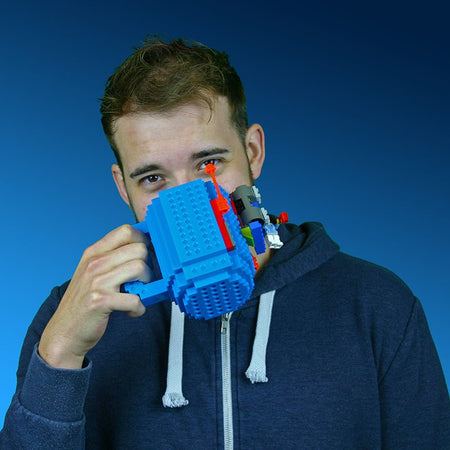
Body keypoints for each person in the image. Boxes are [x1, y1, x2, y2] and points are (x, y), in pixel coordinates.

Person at [1, 36, 449, 449]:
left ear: (253, 152)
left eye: (209, 164)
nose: (189, 197)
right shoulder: (75, 315)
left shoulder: (375, 304)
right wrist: (59, 355)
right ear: (123, 187)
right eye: (153, 178)